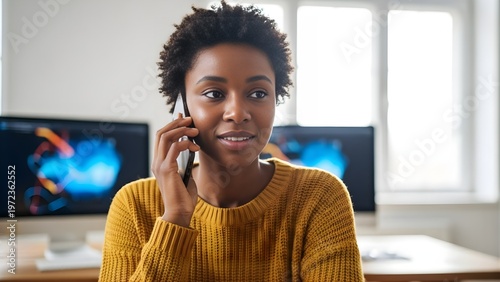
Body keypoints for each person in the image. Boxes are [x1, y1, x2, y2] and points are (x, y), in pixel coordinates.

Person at [98, 1, 364, 281]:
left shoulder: (319, 196)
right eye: (214, 93)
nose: (237, 113)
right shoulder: (134, 205)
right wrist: (175, 217)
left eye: (259, 93)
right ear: (182, 106)